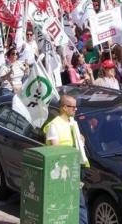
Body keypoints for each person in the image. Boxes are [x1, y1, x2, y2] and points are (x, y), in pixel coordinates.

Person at [45, 95, 90, 224]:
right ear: (64, 108)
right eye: (73, 107)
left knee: (78, 204)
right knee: (66, 205)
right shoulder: (54, 125)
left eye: (76, 107)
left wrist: (80, 140)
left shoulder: (73, 123)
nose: (75, 109)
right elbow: (55, 150)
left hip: (74, 168)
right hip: (61, 173)